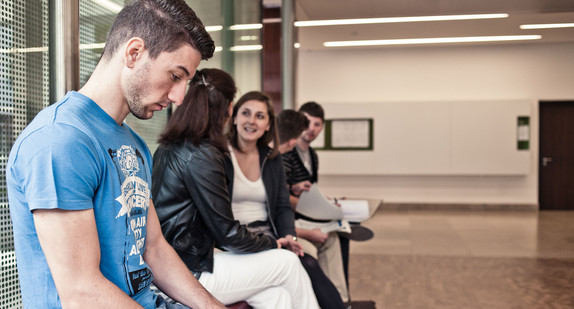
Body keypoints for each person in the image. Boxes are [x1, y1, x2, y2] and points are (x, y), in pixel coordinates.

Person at [6, 1, 224, 308]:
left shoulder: (134, 144)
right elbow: (82, 292)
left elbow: (154, 248)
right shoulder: (60, 141)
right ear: (134, 53)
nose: (179, 97)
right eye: (176, 76)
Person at [152, 70, 319, 309]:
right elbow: (227, 234)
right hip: (187, 274)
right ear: (230, 110)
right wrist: (275, 244)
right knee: (288, 263)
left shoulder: (169, 147)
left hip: (176, 267)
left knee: (276, 297)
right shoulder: (203, 154)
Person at [275, 109, 348, 309]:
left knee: (334, 238)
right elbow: (276, 211)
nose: (311, 129)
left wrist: (325, 202)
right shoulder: (278, 160)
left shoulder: (310, 156)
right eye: (308, 123)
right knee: (310, 253)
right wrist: (306, 233)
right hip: (290, 226)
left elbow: (284, 202)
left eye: (317, 124)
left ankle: (340, 298)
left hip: (292, 224)